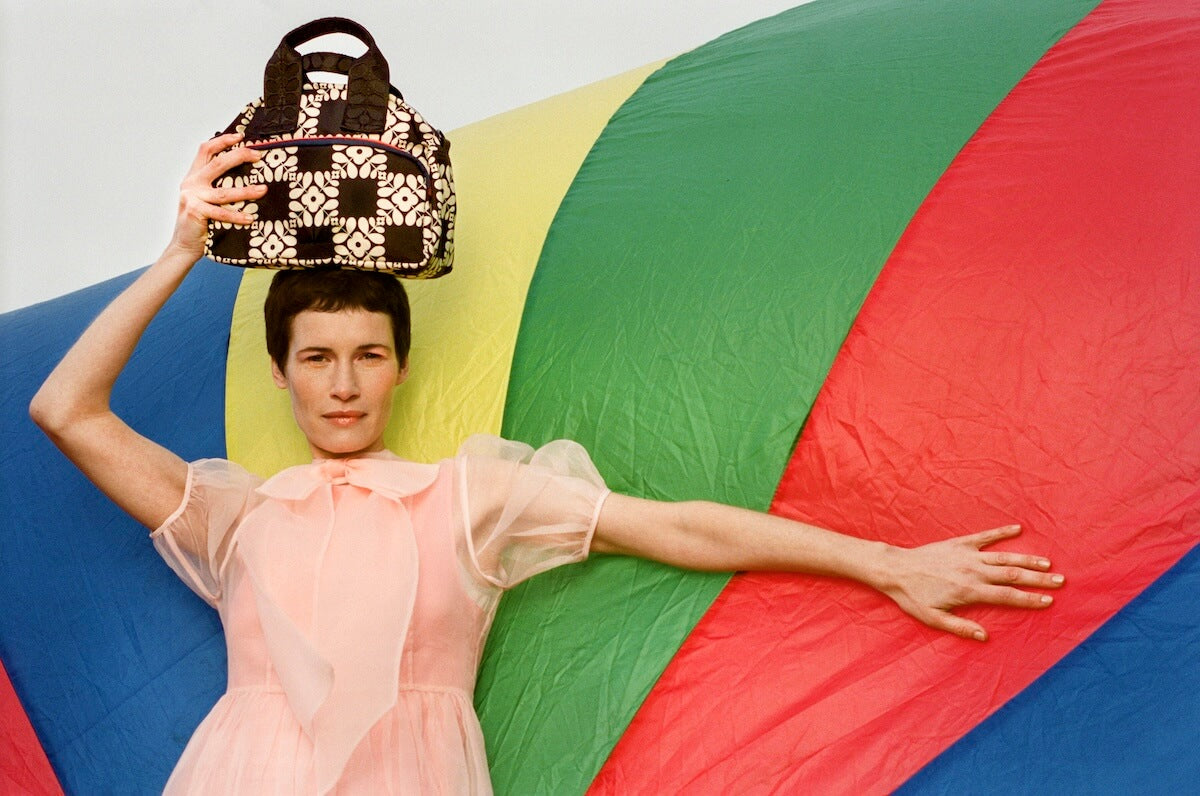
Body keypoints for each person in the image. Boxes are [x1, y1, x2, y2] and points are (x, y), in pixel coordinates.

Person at [30, 134, 1064, 794]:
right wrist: (180, 247)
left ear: (398, 371)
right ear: (282, 372)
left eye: (367, 356)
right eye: (317, 359)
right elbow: (63, 408)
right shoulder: (236, 514)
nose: (342, 383)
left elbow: (680, 525)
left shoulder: (468, 496)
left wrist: (884, 559)